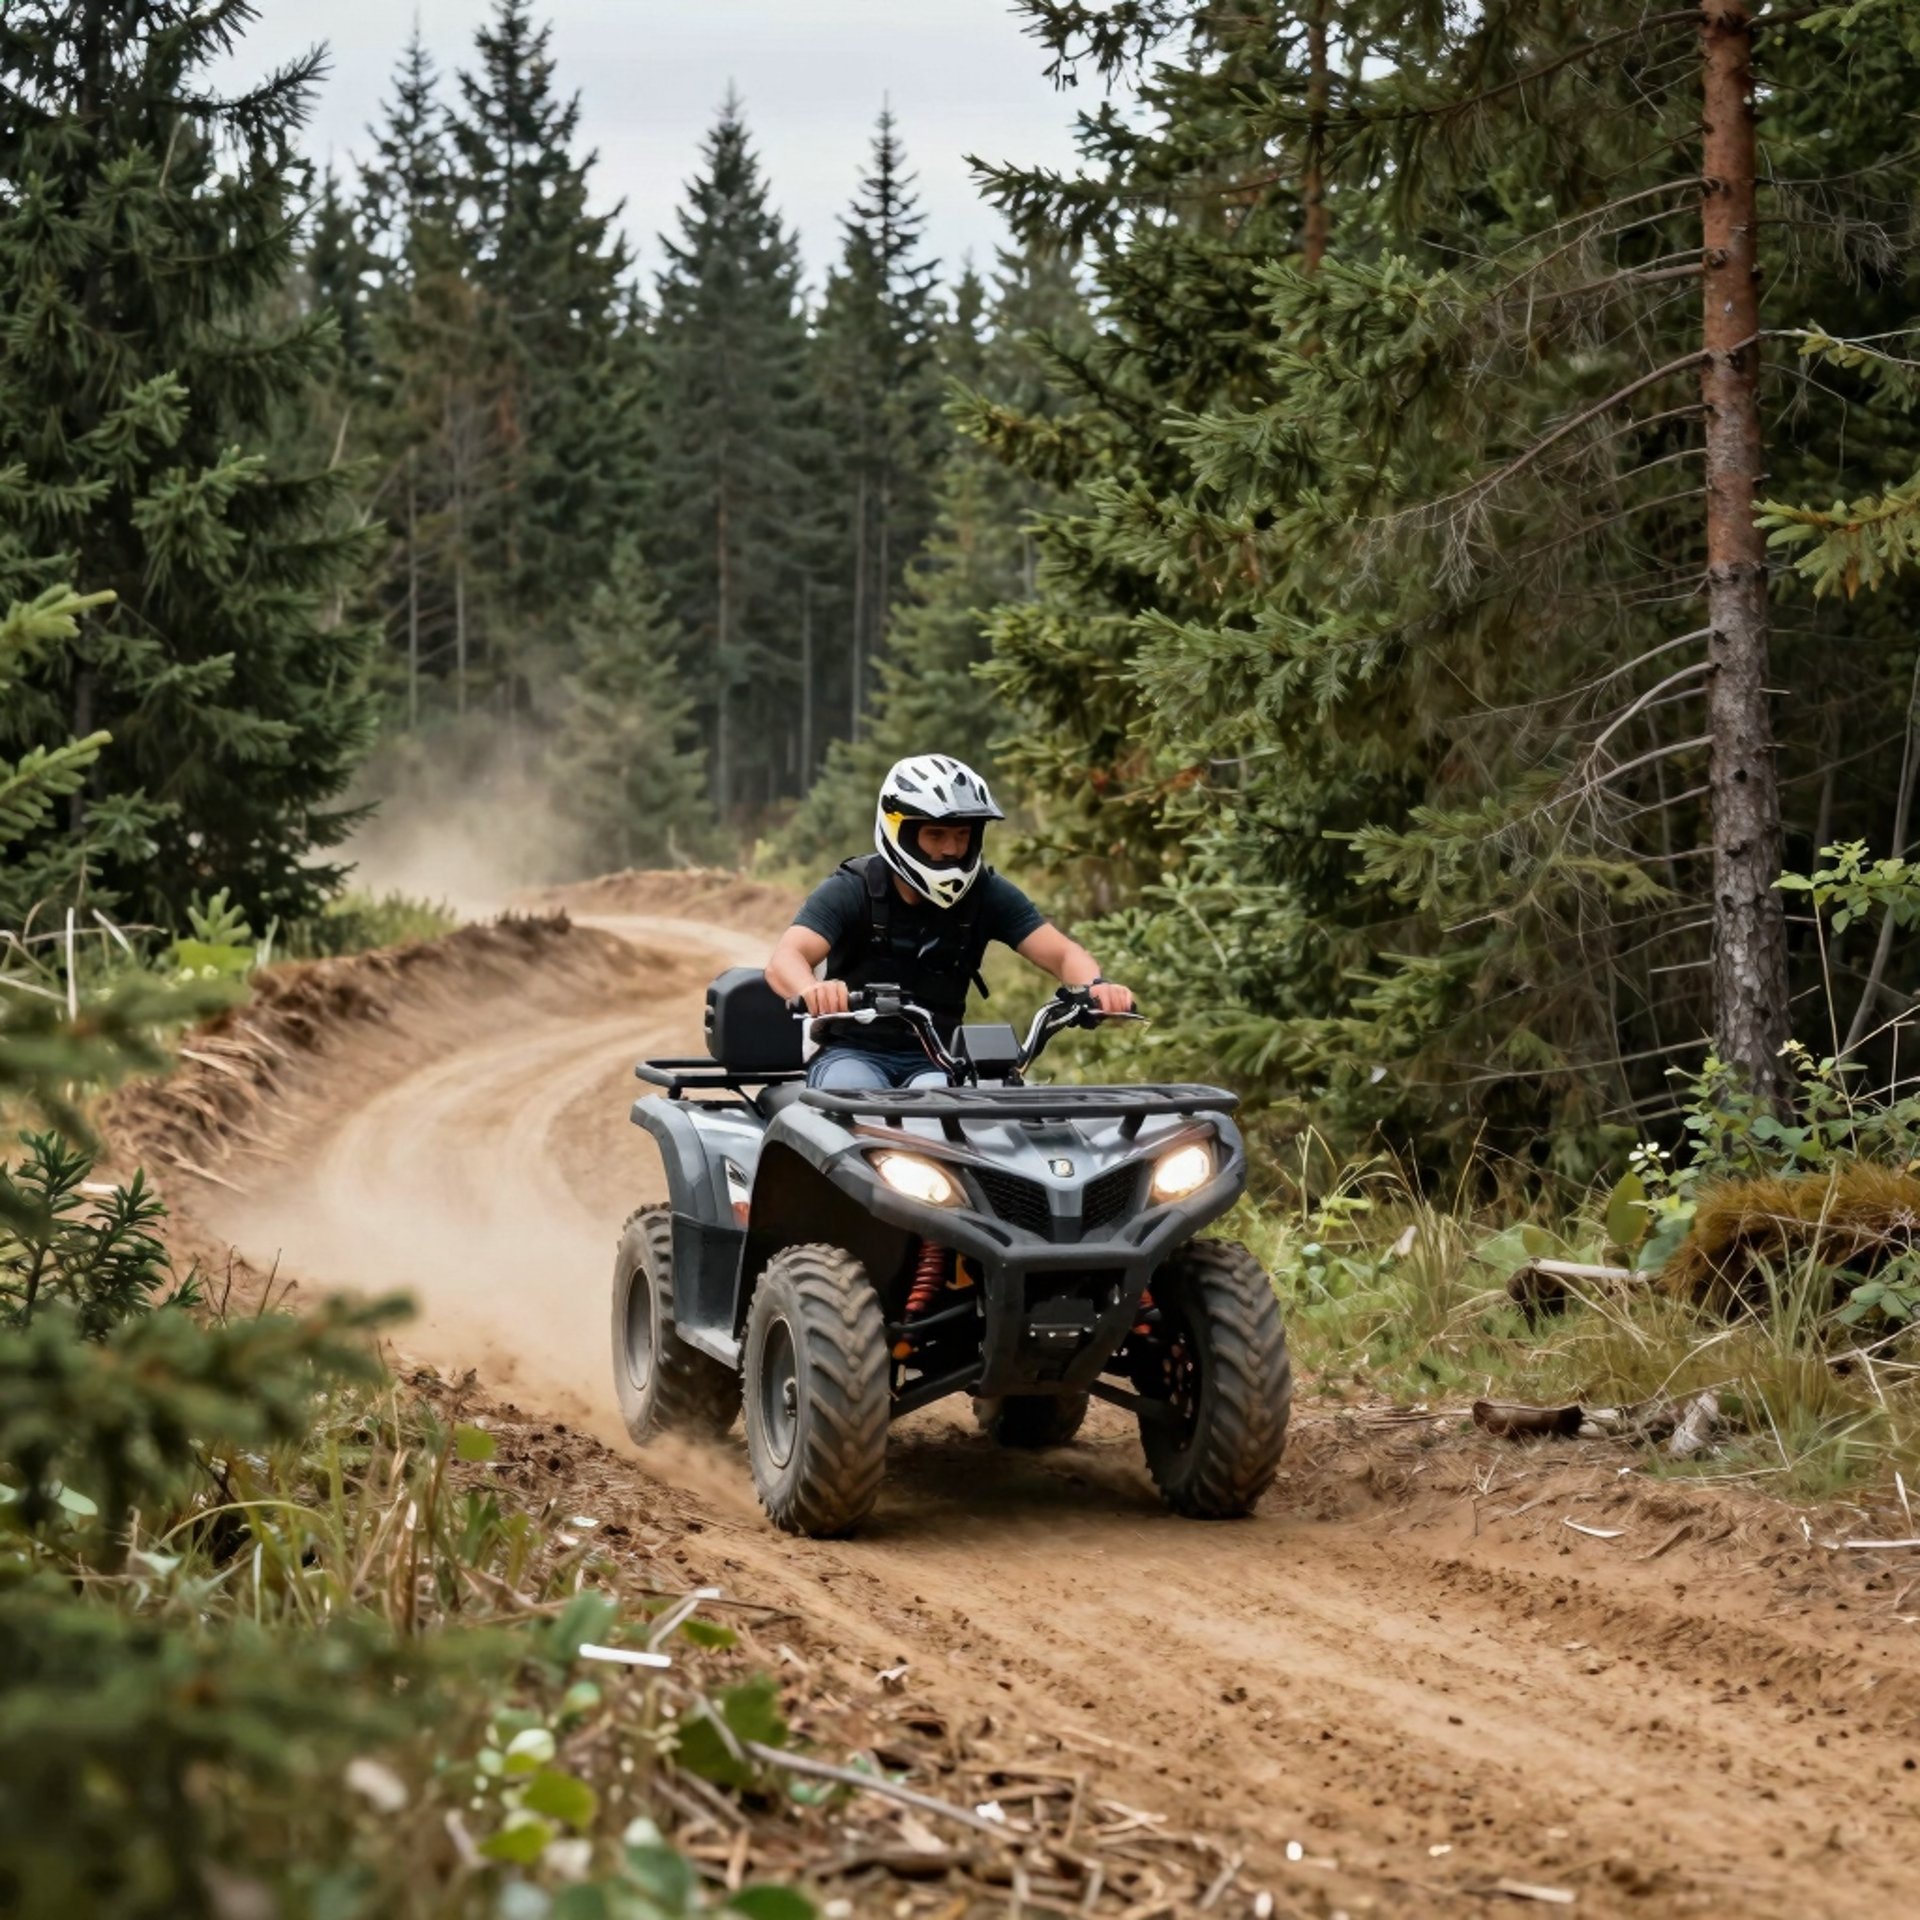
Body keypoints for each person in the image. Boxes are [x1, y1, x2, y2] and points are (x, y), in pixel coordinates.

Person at [764, 754, 1135, 1090]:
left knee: (955, 1108)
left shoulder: (986, 893)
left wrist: (1097, 988)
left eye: (962, 835)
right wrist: (811, 989)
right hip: (852, 1053)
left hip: (941, 1060)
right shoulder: (852, 889)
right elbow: (786, 958)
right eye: (936, 834)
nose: (951, 849)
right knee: (854, 1094)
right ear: (900, 831)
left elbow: (1063, 954)